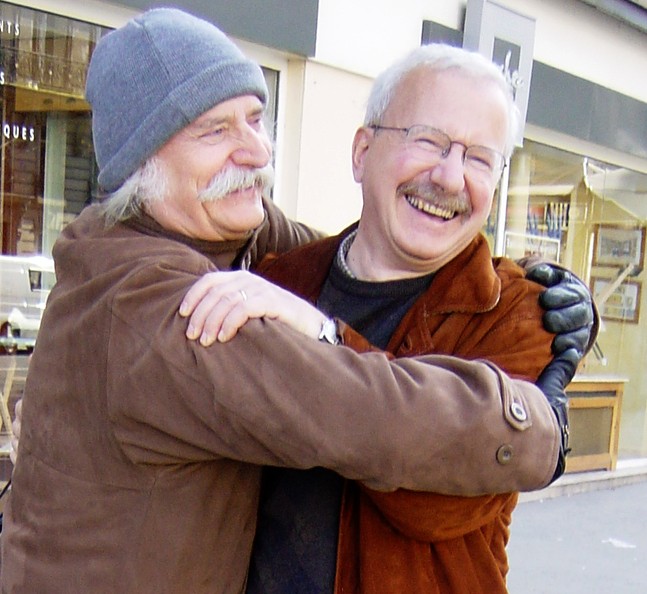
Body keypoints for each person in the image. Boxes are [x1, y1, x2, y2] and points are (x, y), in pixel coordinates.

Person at [1, 9, 593, 594]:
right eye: (214, 131)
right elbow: (364, 415)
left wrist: (550, 292)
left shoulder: (227, 243)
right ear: (141, 164)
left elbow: (343, 251)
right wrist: (540, 424)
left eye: (256, 119)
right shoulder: (158, 303)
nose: (255, 152)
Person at [177, 43, 594, 594]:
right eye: (429, 141)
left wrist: (322, 337)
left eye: (479, 159)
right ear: (362, 152)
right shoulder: (284, 281)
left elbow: (434, 504)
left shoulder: (520, 312)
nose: (450, 178)